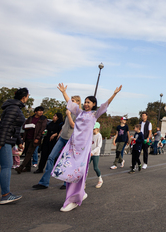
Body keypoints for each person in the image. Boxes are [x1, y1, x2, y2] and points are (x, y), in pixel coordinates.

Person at [52, 83, 122, 212]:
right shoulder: (79, 112)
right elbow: (70, 103)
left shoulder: (95, 114)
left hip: (83, 149)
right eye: (85, 102)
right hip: (72, 146)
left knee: (77, 172)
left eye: (89, 102)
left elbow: (105, 105)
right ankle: (78, 195)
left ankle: (74, 199)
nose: (86, 104)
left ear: (94, 104)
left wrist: (114, 94)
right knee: (68, 171)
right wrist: (63, 92)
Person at [32, 96, 81, 190]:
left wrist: (69, 115)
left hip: (70, 140)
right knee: (51, 157)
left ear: (78, 103)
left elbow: (73, 125)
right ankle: (44, 182)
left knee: (67, 162)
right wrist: (60, 133)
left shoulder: (78, 113)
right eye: (70, 101)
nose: (70, 102)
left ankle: (67, 183)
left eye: (73, 101)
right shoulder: (69, 111)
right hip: (62, 138)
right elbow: (65, 125)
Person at [90, 122, 103, 188]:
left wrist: (93, 152)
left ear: (97, 129)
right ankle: (83, 182)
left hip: (95, 154)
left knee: (95, 168)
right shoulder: (91, 135)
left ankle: (100, 179)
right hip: (89, 154)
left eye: (94, 129)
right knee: (85, 168)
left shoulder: (99, 136)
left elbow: (99, 146)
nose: (92, 130)